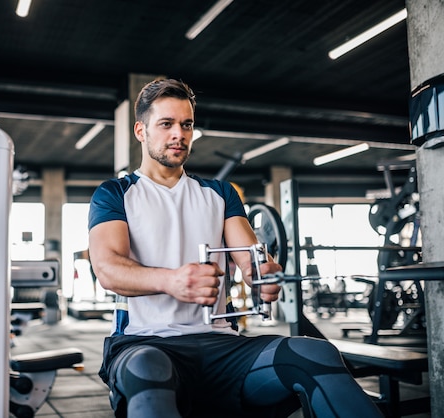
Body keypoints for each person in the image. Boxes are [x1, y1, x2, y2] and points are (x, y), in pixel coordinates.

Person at [88, 78, 383, 417]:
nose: (179, 135)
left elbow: (251, 260)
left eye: (187, 125)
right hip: (145, 342)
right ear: (141, 131)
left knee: (317, 354)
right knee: (148, 369)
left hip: (222, 343)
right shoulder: (116, 193)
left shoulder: (220, 193)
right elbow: (108, 269)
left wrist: (263, 275)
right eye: (166, 124)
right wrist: (171, 281)